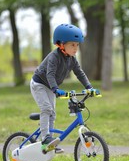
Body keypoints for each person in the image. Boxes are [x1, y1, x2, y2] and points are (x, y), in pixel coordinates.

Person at [30, 23, 96, 153]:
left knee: (52, 114)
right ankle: (45, 139)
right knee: (47, 109)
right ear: (61, 44)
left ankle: (51, 143)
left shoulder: (72, 59)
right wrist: (55, 89)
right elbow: (50, 74)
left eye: (77, 45)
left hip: (51, 87)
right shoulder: (54, 57)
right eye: (72, 44)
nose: (76, 48)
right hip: (39, 84)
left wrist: (89, 87)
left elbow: (79, 73)